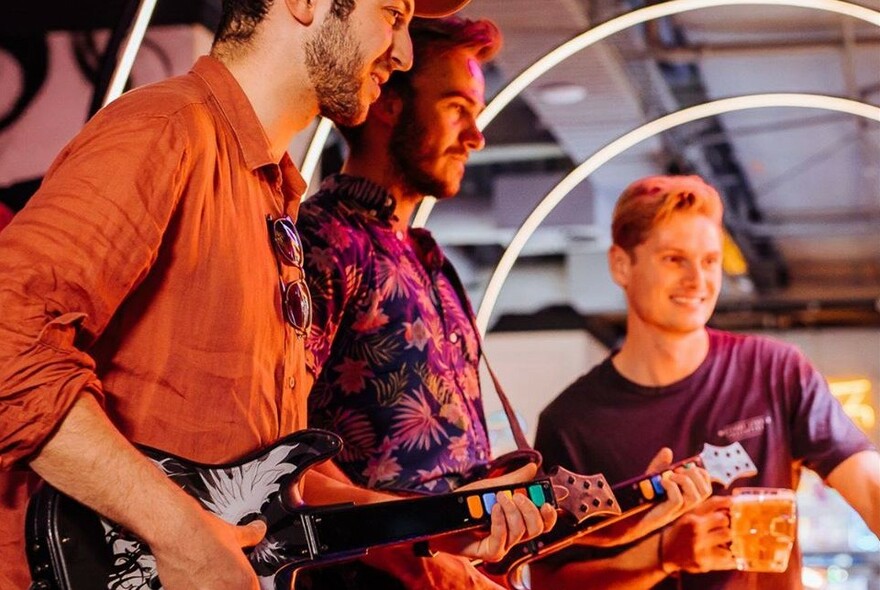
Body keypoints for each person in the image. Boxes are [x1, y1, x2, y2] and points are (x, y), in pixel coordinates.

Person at [0, 1, 557, 589]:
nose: (403, 53)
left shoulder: (275, 196)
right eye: (392, 14)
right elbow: (9, 344)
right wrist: (178, 532)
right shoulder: (168, 128)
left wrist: (429, 526)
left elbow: (268, 473)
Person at [297, 19, 712, 588]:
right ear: (388, 101)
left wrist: (632, 512)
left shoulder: (428, 258)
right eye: (456, 108)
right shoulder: (322, 238)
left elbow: (482, 522)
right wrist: (417, 555)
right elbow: (284, 455)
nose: (476, 135)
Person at [530, 174, 880, 589]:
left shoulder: (773, 370)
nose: (698, 281)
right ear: (621, 265)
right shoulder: (572, 422)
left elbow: (866, 481)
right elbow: (553, 582)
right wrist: (661, 554)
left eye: (710, 260)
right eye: (674, 259)